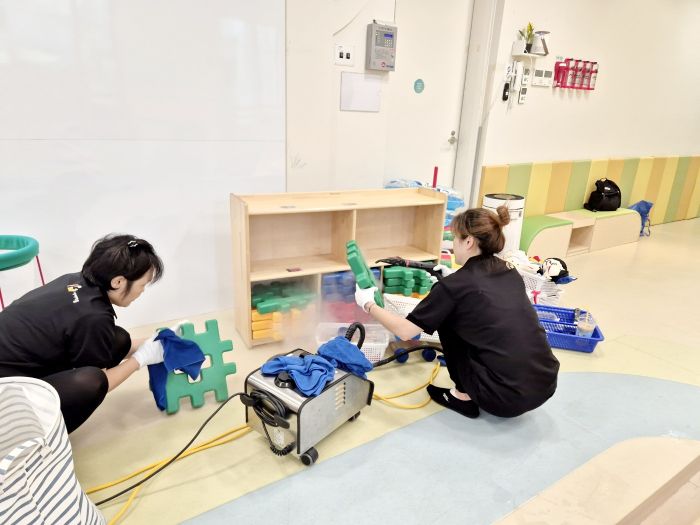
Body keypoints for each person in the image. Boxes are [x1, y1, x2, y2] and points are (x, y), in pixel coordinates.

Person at [355, 205, 560, 419]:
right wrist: (454, 277)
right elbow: (482, 295)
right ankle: (478, 387)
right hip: (545, 383)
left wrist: (368, 304)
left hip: (504, 400)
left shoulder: (454, 287)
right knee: (466, 313)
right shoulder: (508, 269)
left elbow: (405, 332)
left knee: (447, 316)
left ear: (469, 241)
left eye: (455, 238)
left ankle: (461, 396)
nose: (453, 244)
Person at [0, 234, 172, 433]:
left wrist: (152, 341)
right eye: (142, 285)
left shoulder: (74, 281)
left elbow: (94, 340)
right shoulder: (93, 316)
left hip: (16, 368)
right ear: (118, 282)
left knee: (118, 339)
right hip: (6, 399)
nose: (141, 292)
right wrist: (140, 360)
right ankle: (33, 434)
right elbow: (103, 380)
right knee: (92, 382)